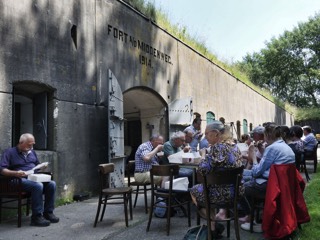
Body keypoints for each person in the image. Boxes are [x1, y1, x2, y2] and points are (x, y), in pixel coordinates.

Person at [190, 121, 243, 238]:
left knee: (194, 190)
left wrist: (203, 155)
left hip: (221, 193)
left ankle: (212, 227)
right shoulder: (235, 146)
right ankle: (213, 226)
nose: (205, 137)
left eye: (207, 134)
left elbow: (202, 170)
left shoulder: (217, 147)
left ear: (216, 133)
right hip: (235, 192)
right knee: (203, 190)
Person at [239, 123, 295, 232]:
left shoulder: (272, 148)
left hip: (271, 185)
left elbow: (256, 172)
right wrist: (262, 151)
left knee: (238, 186)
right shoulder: (284, 146)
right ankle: (256, 216)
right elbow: (271, 165)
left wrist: (253, 157)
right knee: (241, 174)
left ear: (267, 135)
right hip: (281, 184)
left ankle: (251, 218)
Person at [0, 133, 59, 227]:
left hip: (32, 178)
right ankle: (36, 217)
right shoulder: (9, 152)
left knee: (52, 184)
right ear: (21, 142)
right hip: (17, 180)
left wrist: (42, 167)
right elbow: (2, 170)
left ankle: (48, 213)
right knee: (38, 186)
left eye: (32, 144)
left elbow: (36, 166)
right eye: (29, 144)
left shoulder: (32, 152)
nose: (31, 146)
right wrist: (16, 173)